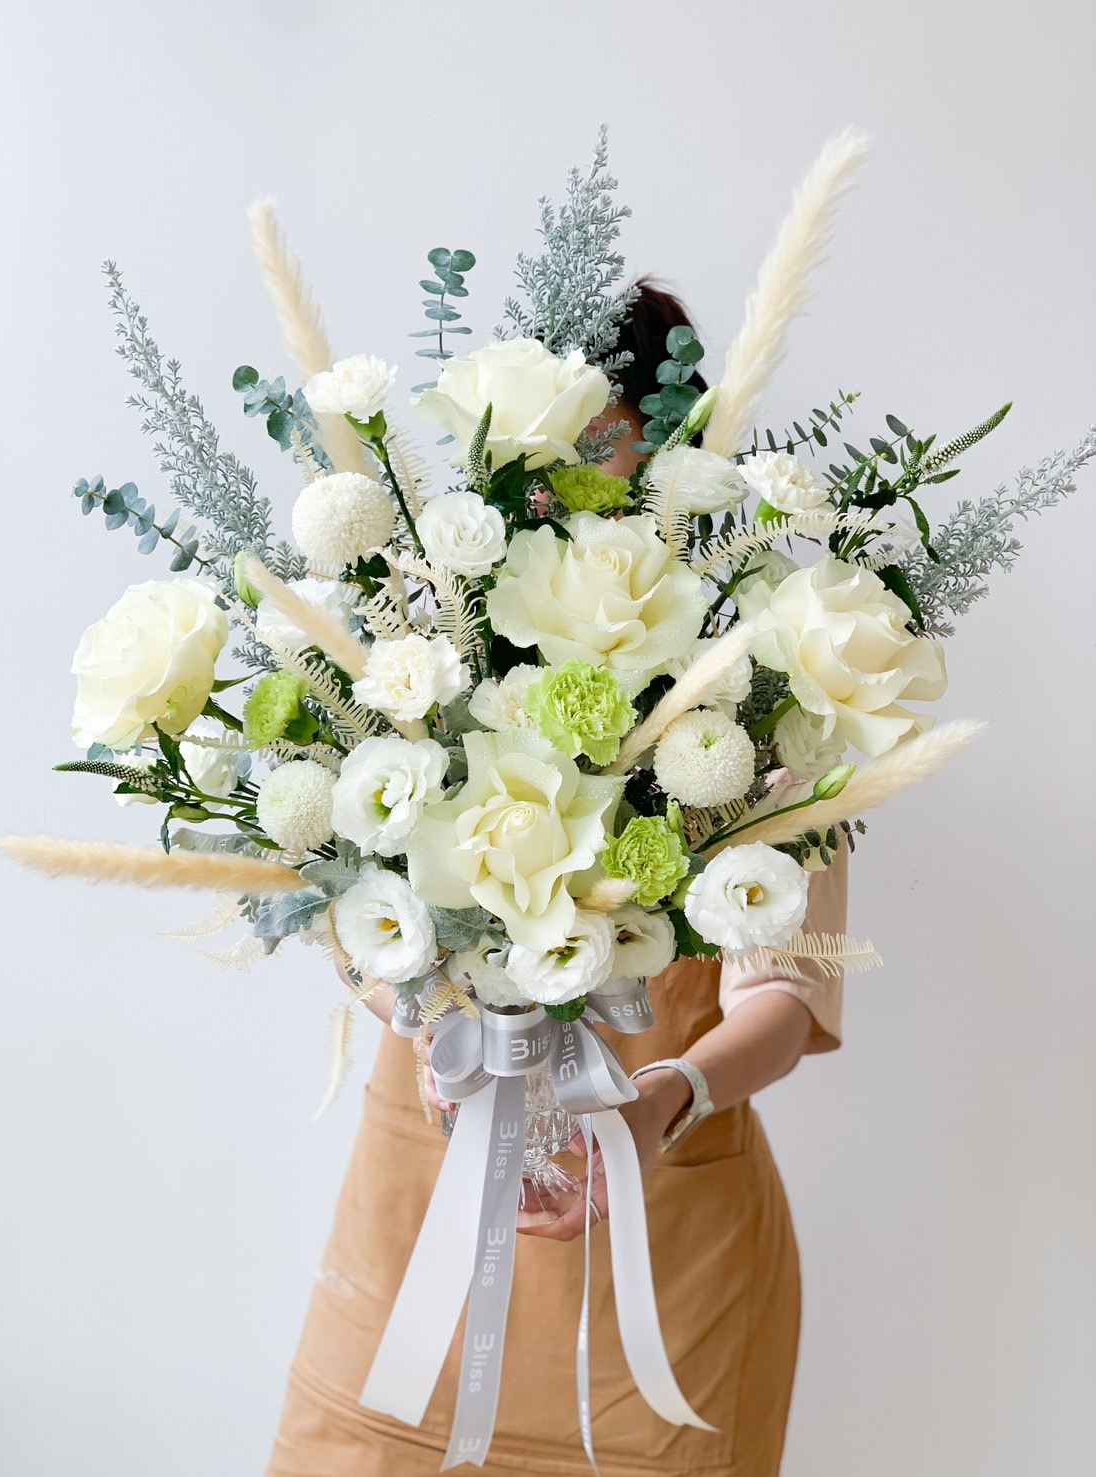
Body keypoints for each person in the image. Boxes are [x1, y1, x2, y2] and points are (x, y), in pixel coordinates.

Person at [265, 282, 851, 1477]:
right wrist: (432, 1021)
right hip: (417, 1216)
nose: (578, 493)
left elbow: (782, 998)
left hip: (661, 1259)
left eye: (613, 456)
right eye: (553, 458)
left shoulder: (761, 699)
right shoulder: (422, 660)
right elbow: (353, 920)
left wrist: (657, 1103)